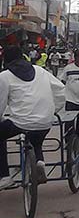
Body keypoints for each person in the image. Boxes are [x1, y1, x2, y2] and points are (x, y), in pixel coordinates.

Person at [0, 46, 66, 189]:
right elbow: (60, 89)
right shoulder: (40, 70)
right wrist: (54, 110)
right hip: (45, 121)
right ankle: (39, 163)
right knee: (36, 139)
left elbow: (1, 103)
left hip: (21, 121)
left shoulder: (4, 76)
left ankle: (4, 176)